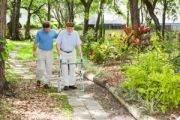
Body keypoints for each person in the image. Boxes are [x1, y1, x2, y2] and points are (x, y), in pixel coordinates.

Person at [56, 22, 82, 90]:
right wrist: (58, 51)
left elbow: (78, 43)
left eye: (71, 28)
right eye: (68, 28)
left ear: (73, 28)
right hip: (63, 52)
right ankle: (66, 85)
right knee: (64, 68)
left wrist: (80, 51)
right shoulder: (62, 33)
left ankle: (71, 84)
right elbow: (58, 43)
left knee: (72, 68)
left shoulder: (76, 33)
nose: (69, 29)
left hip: (72, 52)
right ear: (66, 27)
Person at [33, 21, 58, 88]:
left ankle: (46, 83)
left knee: (49, 69)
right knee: (41, 68)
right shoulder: (39, 32)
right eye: (45, 29)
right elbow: (35, 43)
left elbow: (60, 37)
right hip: (41, 51)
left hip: (50, 52)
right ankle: (38, 79)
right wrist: (34, 51)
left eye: (48, 29)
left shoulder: (53, 32)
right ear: (43, 28)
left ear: (50, 27)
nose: (47, 30)